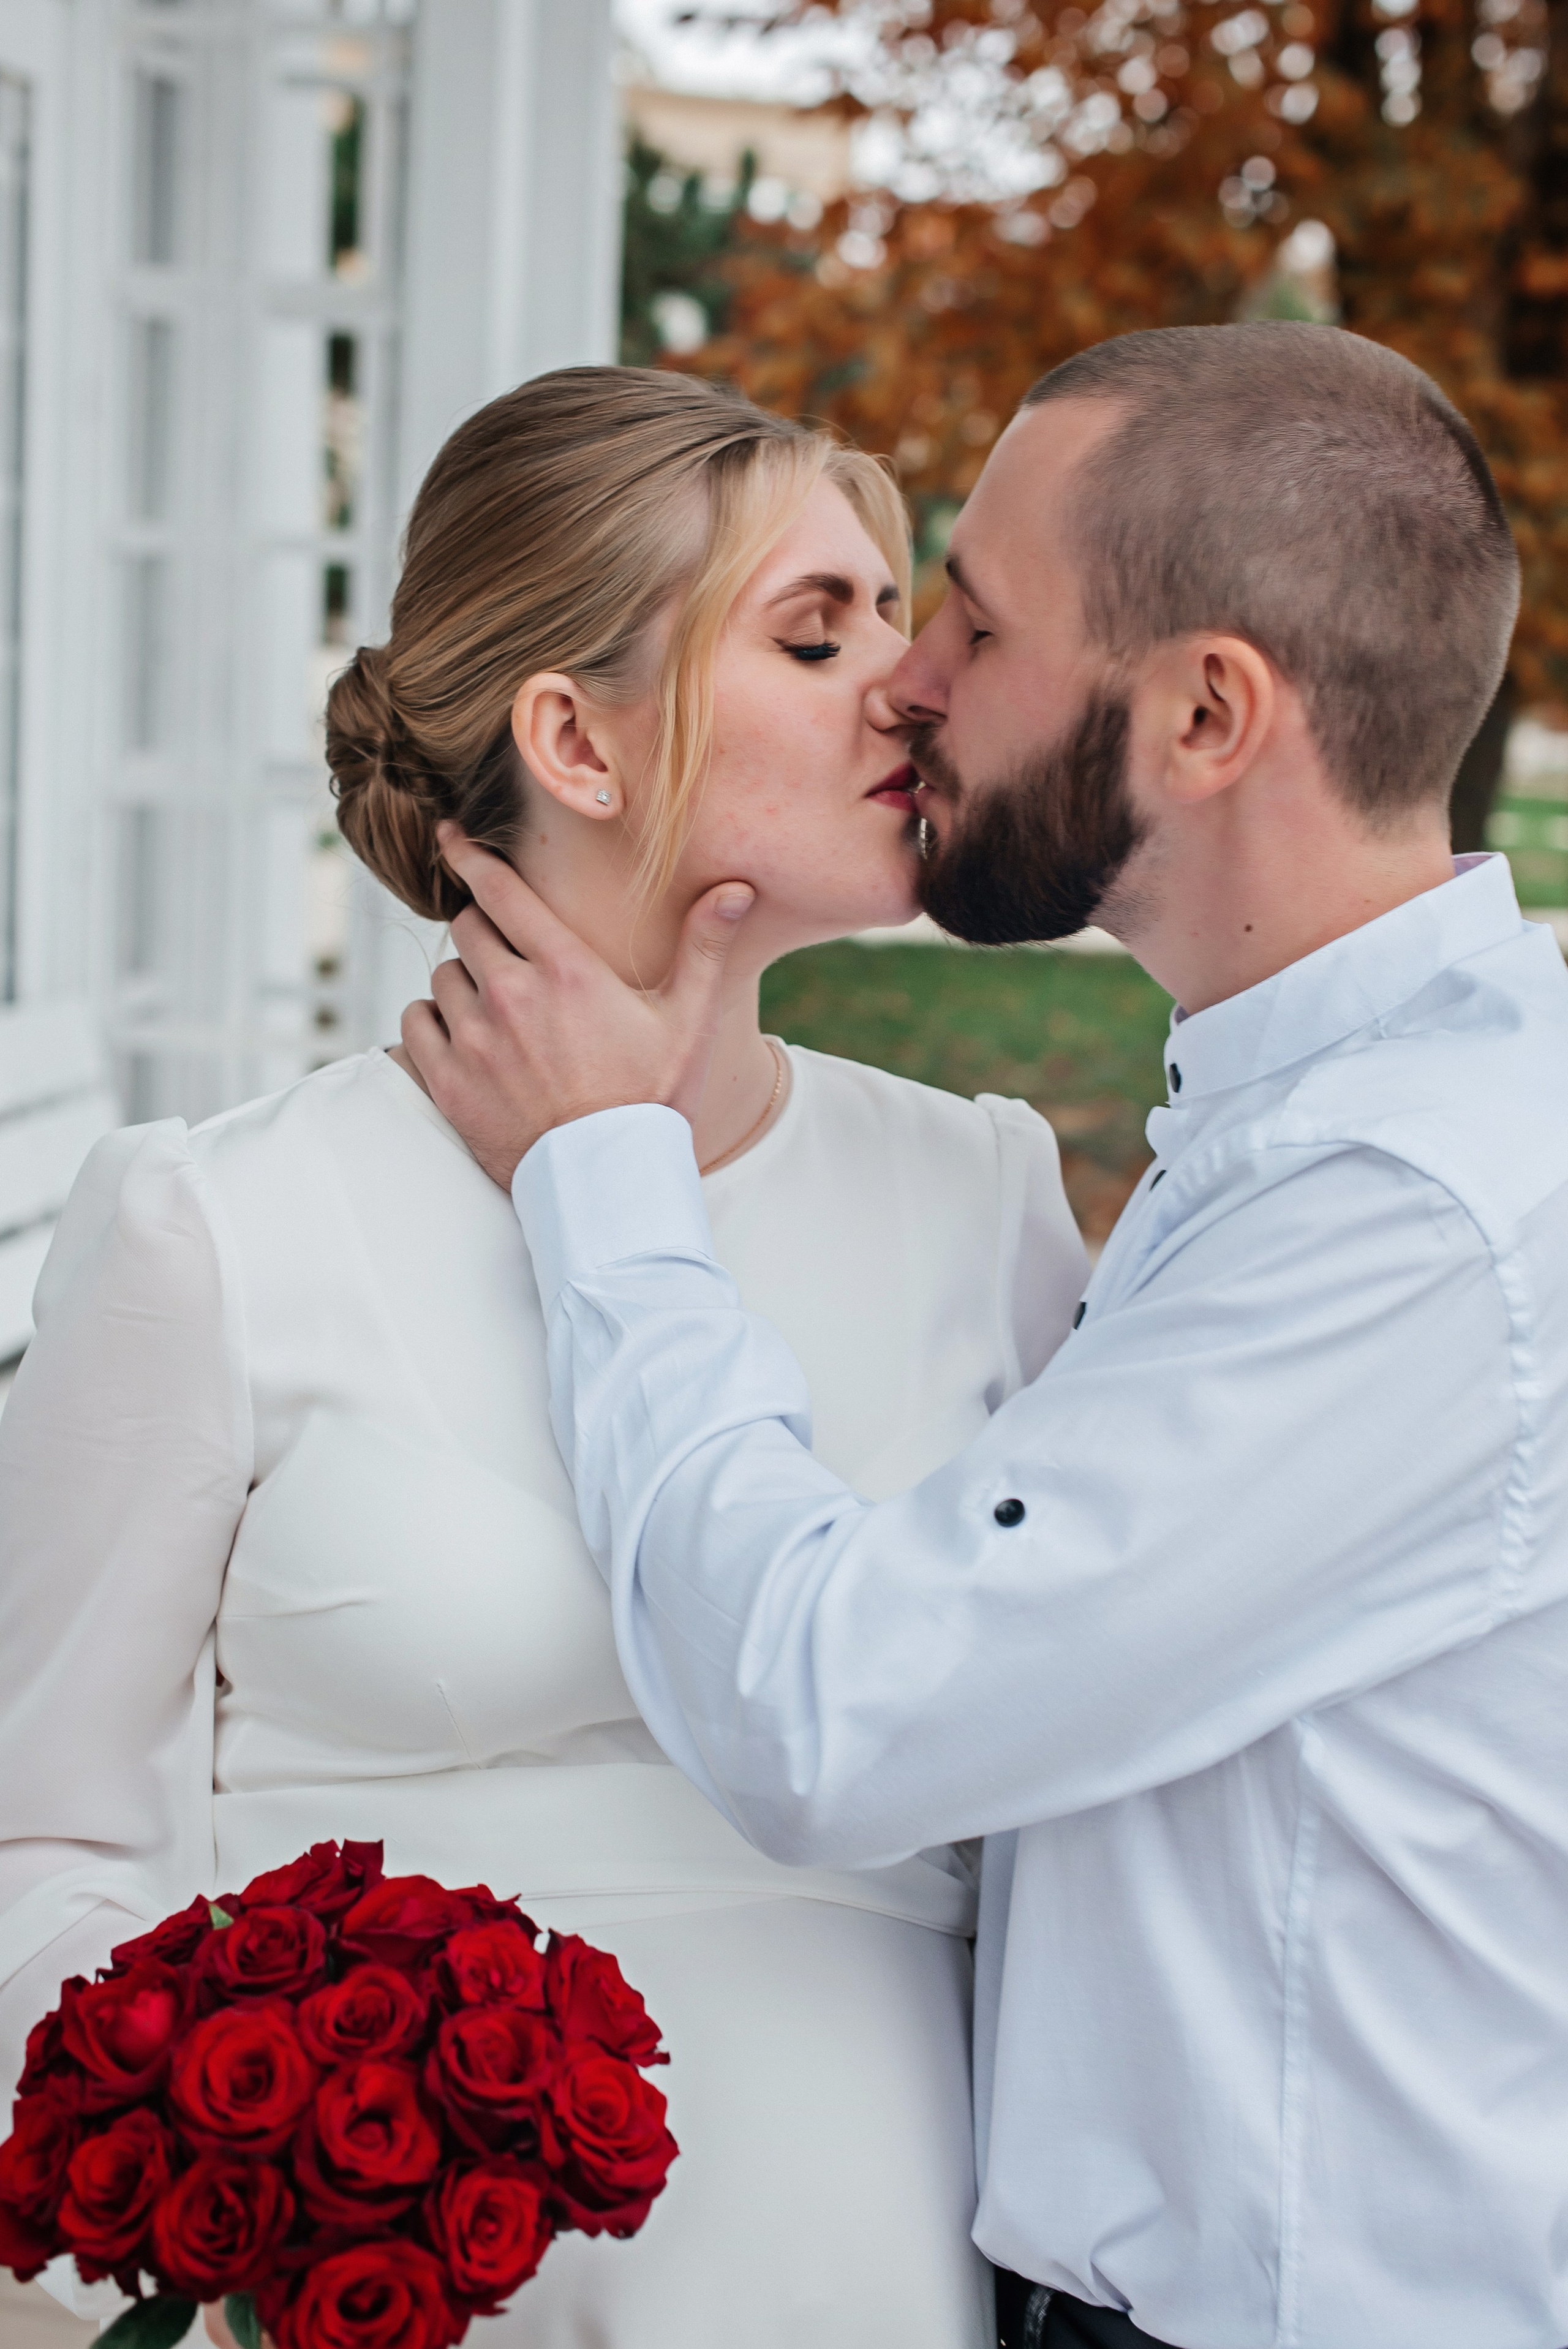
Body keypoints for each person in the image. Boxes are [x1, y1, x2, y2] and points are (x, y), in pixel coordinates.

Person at [402, 323, 1568, 2349]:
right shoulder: (1318, 1122)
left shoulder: (1416, 1211)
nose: (909, 685)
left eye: (970, 619)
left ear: (1207, 712)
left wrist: (605, 1178)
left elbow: (839, 1712)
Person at [0, 368, 1091, 2348]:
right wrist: (238, 2234)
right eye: (816, 629)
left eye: (902, 619)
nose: (912, 685)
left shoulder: (986, 1191)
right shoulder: (214, 1223)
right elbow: (42, 1839)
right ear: (577, 738)